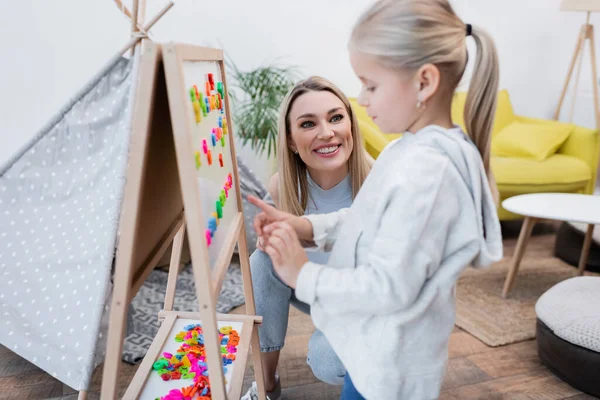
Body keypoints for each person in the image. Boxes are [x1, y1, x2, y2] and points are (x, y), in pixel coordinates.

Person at [248, 0, 504, 398]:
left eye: (370, 84)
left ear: (423, 83)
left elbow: (388, 287)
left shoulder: (426, 174)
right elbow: (365, 220)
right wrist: (305, 226)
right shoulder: (406, 152)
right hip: (374, 344)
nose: (362, 101)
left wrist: (304, 274)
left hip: (390, 362)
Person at [241, 76, 372, 400]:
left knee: (328, 362)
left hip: (361, 303)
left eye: (336, 117)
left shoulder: (376, 182)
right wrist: (272, 239)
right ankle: (267, 382)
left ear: (351, 126)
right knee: (262, 261)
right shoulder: (282, 187)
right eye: (308, 123)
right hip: (312, 289)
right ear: (290, 140)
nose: (326, 132)